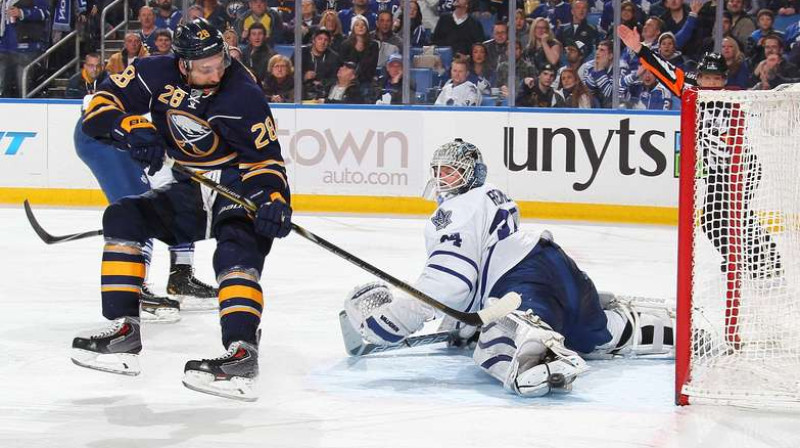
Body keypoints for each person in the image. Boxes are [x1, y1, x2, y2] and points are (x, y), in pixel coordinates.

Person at [341, 138, 675, 397]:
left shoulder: (451, 212)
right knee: (594, 334)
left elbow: (452, 284)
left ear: (471, 173)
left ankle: (537, 355)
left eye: (451, 170)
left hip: (520, 284)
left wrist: (394, 320)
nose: (443, 178)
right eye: (439, 170)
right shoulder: (492, 193)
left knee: (498, 340)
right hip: (556, 264)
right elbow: (481, 265)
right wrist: (461, 321)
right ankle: (660, 328)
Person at [71, 19, 293, 401]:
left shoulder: (243, 93)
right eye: (205, 67)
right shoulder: (151, 72)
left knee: (237, 250)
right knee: (123, 216)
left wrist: (273, 200)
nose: (216, 71)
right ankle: (125, 332)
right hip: (190, 186)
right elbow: (98, 108)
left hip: (236, 184)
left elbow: (266, 162)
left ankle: (242, 354)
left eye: (219, 61)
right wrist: (130, 126)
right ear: (183, 64)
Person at [619, 24, 783, 279]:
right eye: (707, 77)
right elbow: (665, 71)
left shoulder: (734, 97)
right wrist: (640, 49)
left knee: (737, 214)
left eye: (717, 78)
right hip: (719, 170)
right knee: (711, 221)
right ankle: (740, 257)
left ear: (724, 80)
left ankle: (765, 260)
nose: (712, 83)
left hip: (743, 166)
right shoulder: (691, 91)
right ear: (700, 77)